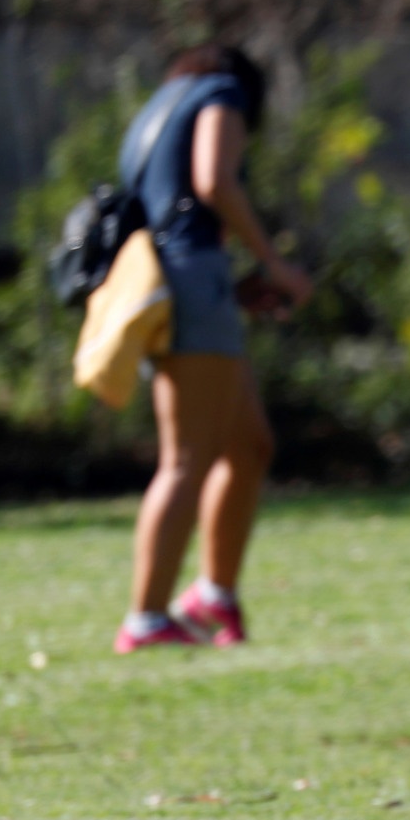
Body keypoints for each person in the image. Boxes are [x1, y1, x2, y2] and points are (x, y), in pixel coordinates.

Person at [114, 45, 313, 653]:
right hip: (190, 281)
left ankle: (211, 595)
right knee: (187, 460)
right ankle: (146, 619)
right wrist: (273, 262)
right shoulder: (221, 92)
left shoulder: (158, 105)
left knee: (248, 443)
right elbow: (212, 179)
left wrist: (237, 284)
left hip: (186, 280)